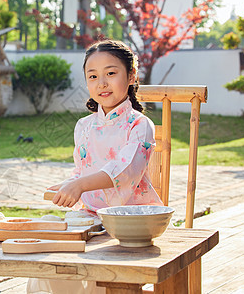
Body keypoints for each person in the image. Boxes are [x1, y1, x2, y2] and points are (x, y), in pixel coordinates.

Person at [27, 39, 163, 294]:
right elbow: (81, 170)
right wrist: (69, 185)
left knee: (83, 272)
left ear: (131, 75)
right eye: (93, 76)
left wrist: (79, 184)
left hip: (131, 224)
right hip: (91, 219)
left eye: (111, 73)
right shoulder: (84, 126)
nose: (101, 83)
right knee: (46, 259)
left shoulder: (139, 124)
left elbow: (126, 170)